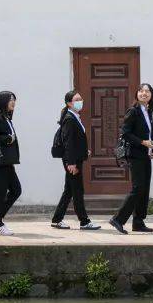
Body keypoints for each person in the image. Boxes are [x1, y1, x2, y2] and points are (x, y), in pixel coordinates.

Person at [109, 83, 153, 235]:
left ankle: (138, 221)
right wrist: (143, 142)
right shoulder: (134, 111)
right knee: (138, 188)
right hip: (135, 155)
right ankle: (118, 219)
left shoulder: (148, 112)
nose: (144, 93)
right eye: (141, 91)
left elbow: (152, 135)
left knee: (145, 189)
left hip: (145, 155)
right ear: (137, 94)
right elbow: (125, 133)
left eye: (147, 91)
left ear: (151, 95)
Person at [51, 91, 100, 230]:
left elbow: (76, 141)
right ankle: (84, 221)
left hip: (75, 159)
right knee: (77, 190)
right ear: (69, 103)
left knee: (69, 190)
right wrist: (70, 163)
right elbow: (68, 143)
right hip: (72, 162)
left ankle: (56, 219)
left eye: (80, 98)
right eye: (76, 99)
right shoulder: (69, 119)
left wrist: (84, 151)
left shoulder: (74, 117)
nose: (80, 101)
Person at [0, 91, 21, 236]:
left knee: (16, 190)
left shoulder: (7, 118)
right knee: (0, 192)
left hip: (7, 162)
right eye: (10, 99)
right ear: (2, 102)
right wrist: (7, 138)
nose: (13, 102)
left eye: (14, 99)